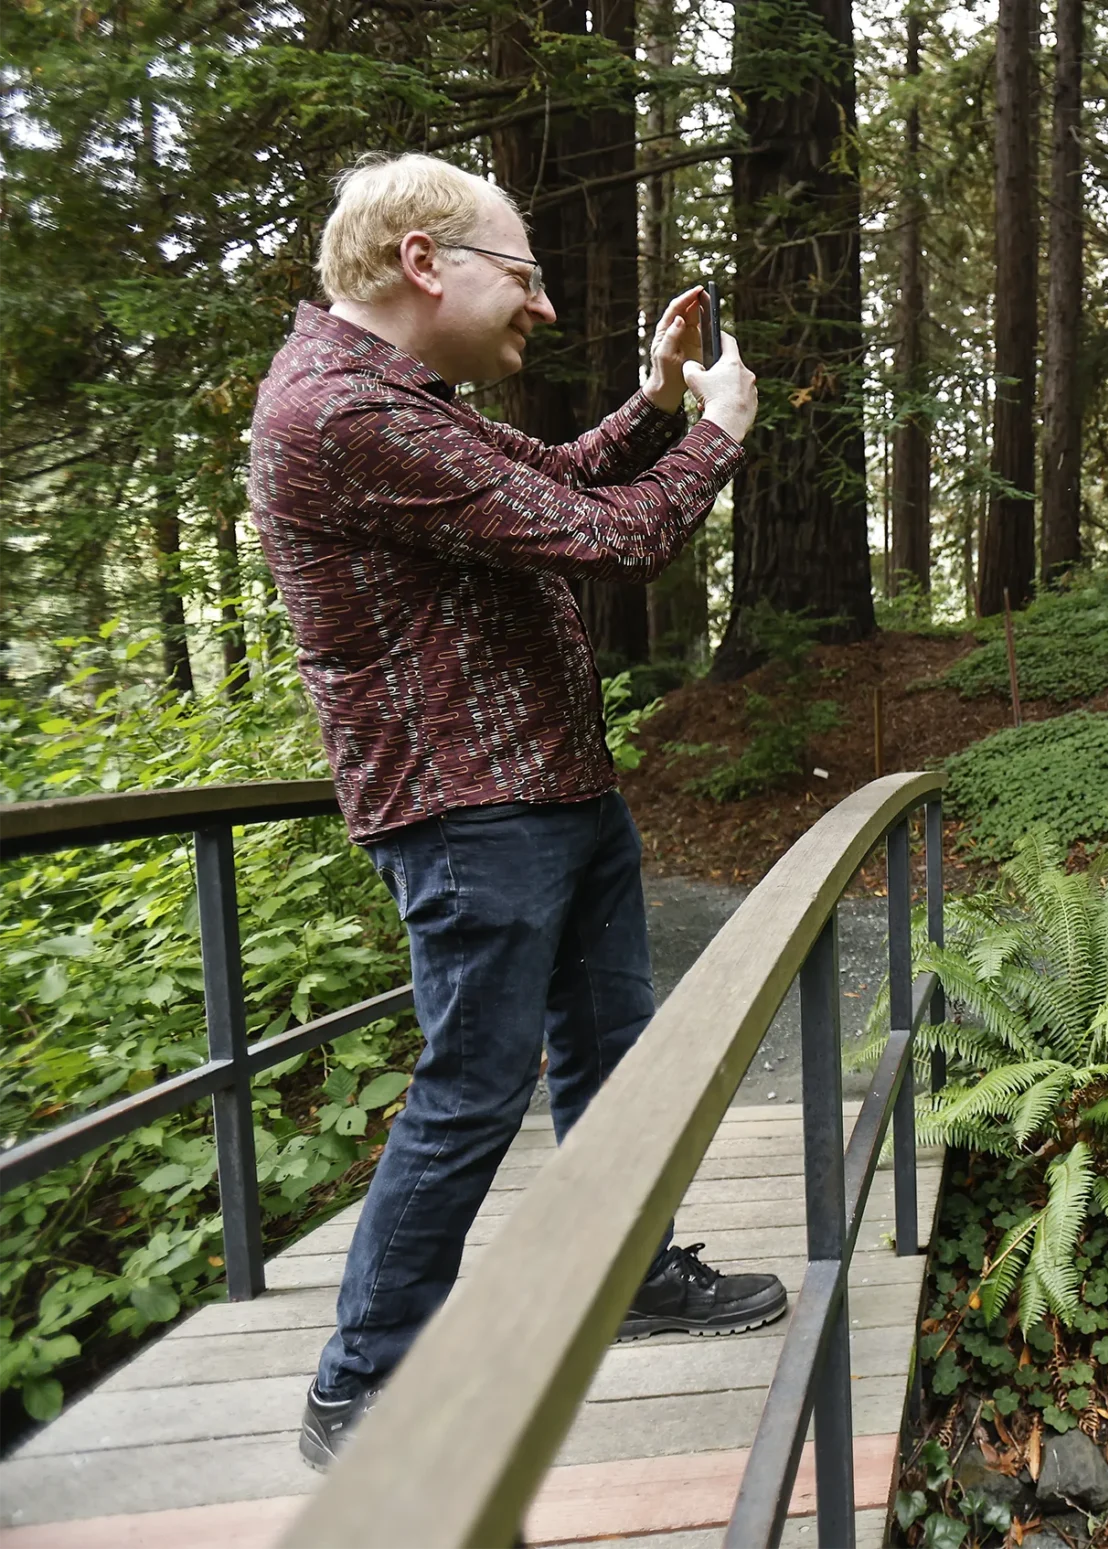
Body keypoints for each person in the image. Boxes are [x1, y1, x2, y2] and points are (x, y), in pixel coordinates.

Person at [248, 152, 780, 1471]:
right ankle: (362, 1387)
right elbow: (613, 539)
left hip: (551, 786)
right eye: (524, 275)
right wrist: (717, 432)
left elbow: (556, 481)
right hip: (469, 812)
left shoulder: (394, 396)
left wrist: (654, 408)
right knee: (471, 1093)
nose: (541, 306)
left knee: (613, 1057)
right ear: (427, 263)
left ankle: (634, 1272)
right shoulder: (340, 414)